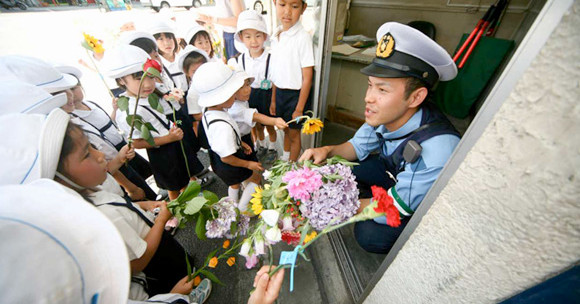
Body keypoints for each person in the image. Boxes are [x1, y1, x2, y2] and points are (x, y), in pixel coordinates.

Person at [299, 22, 461, 254]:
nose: (369, 98)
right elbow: (356, 146)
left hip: (414, 200)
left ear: (416, 97)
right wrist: (327, 151)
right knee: (347, 172)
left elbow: (397, 206)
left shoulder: (437, 150)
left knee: (369, 234)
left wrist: (338, 206)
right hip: (393, 174)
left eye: (382, 90)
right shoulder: (385, 113)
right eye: (370, 86)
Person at [104, 45, 208, 200]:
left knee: (183, 173)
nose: (148, 84)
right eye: (139, 78)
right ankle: (177, 208)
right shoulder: (128, 110)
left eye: (151, 77)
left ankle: (192, 196)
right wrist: (168, 138)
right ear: (121, 80)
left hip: (172, 141)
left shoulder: (148, 96)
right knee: (173, 184)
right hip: (162, 151)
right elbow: (137, 142)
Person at [58, 63, 158, 201]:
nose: (71, 95)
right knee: (136, 187)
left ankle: (155, 198)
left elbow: (107, 123)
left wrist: (115, 110)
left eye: (74, 88)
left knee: (143, 176)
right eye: (65, 91)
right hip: (112, 158)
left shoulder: (91, 104)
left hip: (122, 146)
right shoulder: (74, 120)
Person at [192, 62, 263, 213]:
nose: (236, 95)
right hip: (229, 161)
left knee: (234, 183)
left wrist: (240, 143)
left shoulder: (209, 111)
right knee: (255, 178)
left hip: (218, 159)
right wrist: (248, 165)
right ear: (221, 97)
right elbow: (227, 158)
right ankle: (243, 208)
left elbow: (220, 141)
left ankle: (232, 206)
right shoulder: (222, 126)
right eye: (233, 93)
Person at [228, 10, 279, 162]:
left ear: (264, 36)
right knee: (256, 125)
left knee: (269, 124)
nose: (254, 41)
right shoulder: (241, 59)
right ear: (242, 38)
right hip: (248, 96)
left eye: (258, 35)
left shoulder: (270, 57)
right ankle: (262, 145)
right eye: (248, 36)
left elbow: (275, 81)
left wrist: (273, 101)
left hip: (267, 95)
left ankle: (273, 148)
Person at [270, 0, 315, 162]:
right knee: (285, 130)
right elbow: (276, 71)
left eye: (294, 6)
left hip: (295, 97)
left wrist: (299, 108)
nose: (287, 11)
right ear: (274, 3)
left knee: (295, 135)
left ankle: (292, 167)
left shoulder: (303, 38)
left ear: (303, 8)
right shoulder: (277, 34)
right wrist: (274, 99)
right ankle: (287, 156)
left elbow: (307, 77)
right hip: (280, 93)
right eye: (282, 5)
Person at [226, 69, 288, 166]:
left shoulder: (241, 100)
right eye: (240, 87)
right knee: (247, 165)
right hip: (238, 140)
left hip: (241, 137)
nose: (247, 89)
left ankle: (271, 149)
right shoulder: (236, 109)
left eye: (247, 84)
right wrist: (275, 121)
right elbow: (257, 117)